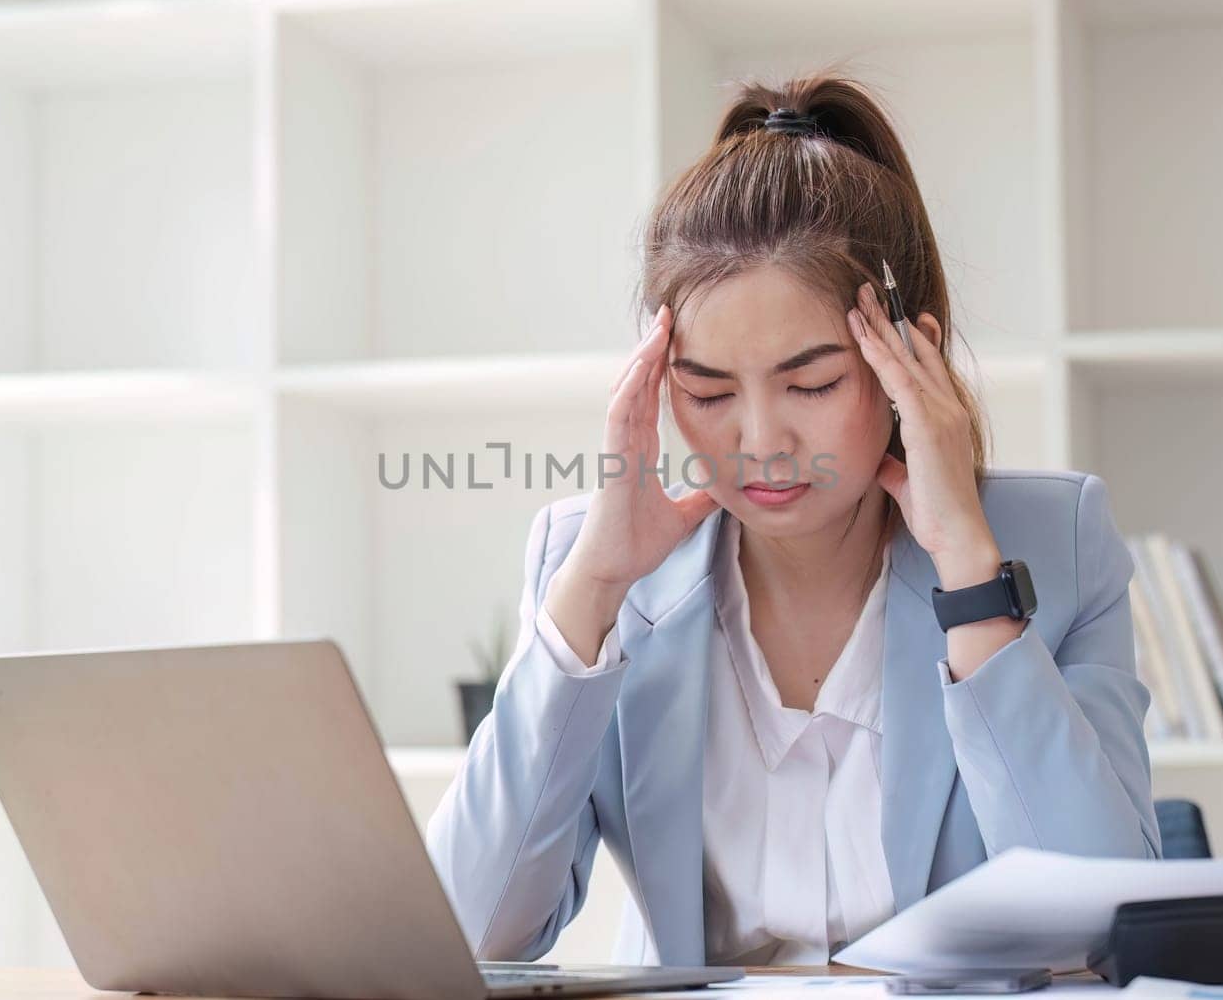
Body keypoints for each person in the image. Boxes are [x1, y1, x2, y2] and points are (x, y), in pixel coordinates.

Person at [425, 71, 1160, 969]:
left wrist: (971, 571)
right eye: (707, 390)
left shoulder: (1055, 541)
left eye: (811, 384)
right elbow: (463, 936)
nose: (763, 442)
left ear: (908, 364)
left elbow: (1105, 925)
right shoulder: (593, 568)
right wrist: (596, 588)